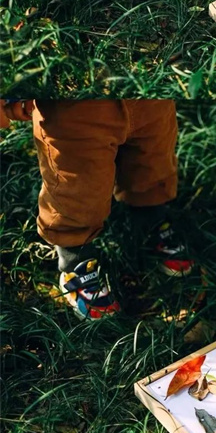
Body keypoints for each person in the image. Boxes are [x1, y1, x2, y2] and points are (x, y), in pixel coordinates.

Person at [1, 99, 193, 321]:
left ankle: (151, 214)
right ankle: (75, 257)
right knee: (76, 183)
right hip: (75, 109)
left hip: (148, 98)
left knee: (152, 160)